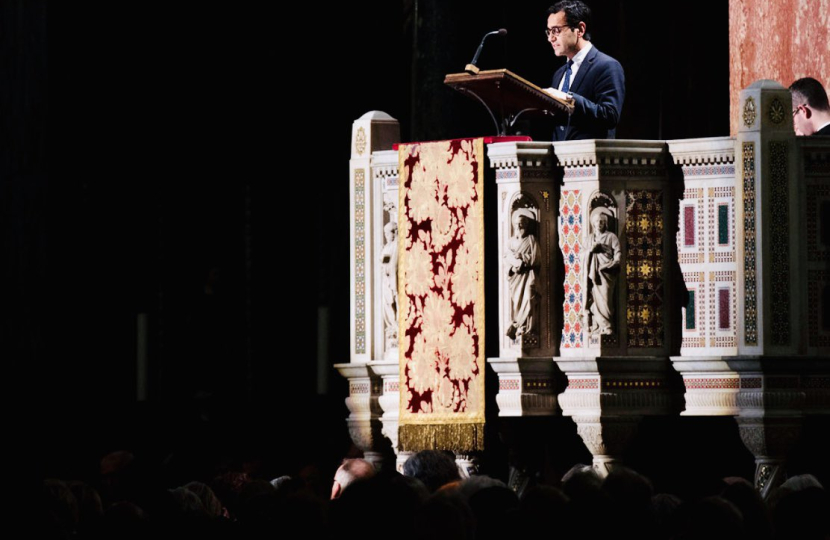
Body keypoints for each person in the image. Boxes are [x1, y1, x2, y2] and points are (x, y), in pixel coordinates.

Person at [544, 1, 625, 141]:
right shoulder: (559, 74)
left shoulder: (607, 66)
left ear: (580, 29)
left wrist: (569, 99)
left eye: (556, 30)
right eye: (549, 31)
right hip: (559, 158)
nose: (551, 38)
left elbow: (610, 116)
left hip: (591, 159)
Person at [585, 207, 620, 335]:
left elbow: (618, 254)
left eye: (602, 222)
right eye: (597, 221)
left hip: (607, 274)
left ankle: (608, 325)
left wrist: (611, 264)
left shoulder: (611, 237)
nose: (599, 224)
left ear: (605, 223)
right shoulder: (589, 239)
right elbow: (582, 254)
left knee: (606, 299)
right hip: (593, 275)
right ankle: (598, 325)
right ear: (593, 223)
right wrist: (590, 250)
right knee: (594, 299)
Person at [505, 208, 539, 340]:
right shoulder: (510, 242)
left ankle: (526, 327)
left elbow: (537, 258)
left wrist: (523, 257)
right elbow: (506, 258)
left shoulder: (532, 240)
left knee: (529, 299)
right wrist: (512, 269)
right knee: (517, 302)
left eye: (522, 223)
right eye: (517, 224)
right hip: (516, 278)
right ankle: (518, 326)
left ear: (526, 225)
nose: (519, 226)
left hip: (529, 275)